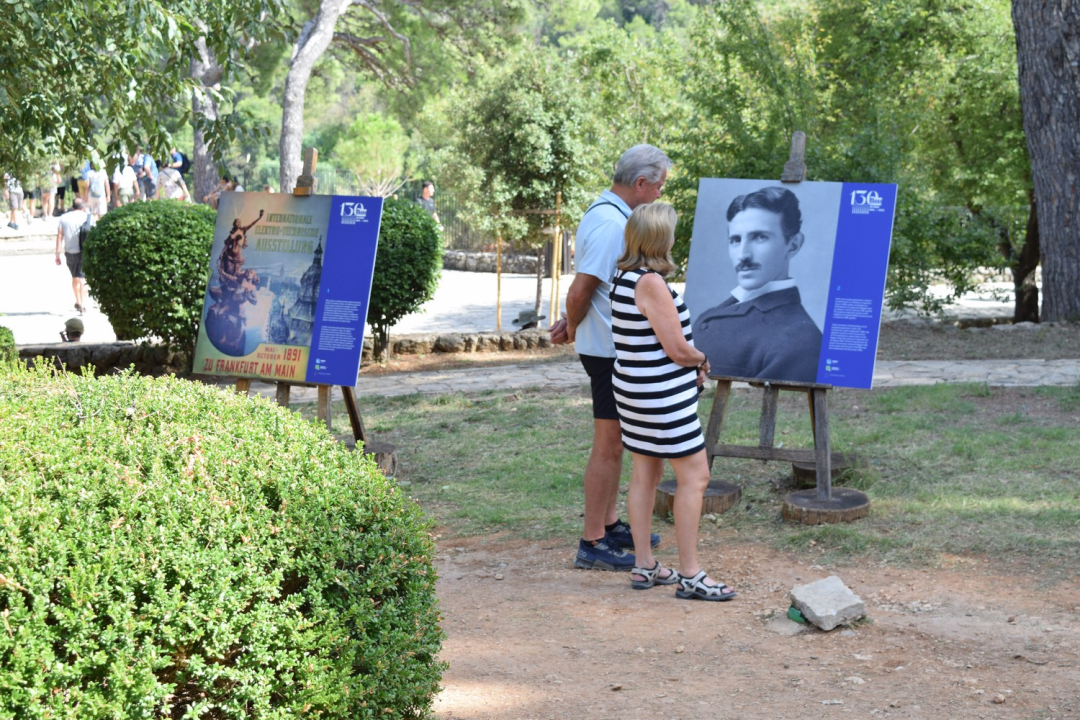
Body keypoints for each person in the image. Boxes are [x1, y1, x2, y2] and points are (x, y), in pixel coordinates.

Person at [549, 144, 671, 571]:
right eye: (658, 186)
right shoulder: (609, 224)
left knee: (615, 442)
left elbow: (590, 293)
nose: (658, 194)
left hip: (607, 346)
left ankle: (609, 521)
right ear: (640, 183)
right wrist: (573, 324)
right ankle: (593, 541)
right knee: (609, 445)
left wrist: (572, 321)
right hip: (607, 352)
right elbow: (582, 289)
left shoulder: (613, 216)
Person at [612, 203, 737, 601]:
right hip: (662, 398)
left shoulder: (622, 278)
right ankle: (691, 573)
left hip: (635, 393)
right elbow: (678, 349)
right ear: (659, 239)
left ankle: (645, 565)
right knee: (695, 477)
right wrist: (701, 360)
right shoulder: (651, 283)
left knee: (644, 474)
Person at [691, 186, 822, 383]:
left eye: (760, 237)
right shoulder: (713, 313)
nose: (743, 255)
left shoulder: (800, 339)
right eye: (735, 240)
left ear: (793, 245)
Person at [55, 198, 92, 314]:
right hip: (83, 250)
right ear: (82, 207)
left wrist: (57, 253)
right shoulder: (88, 217)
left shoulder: (64, 217)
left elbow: (59, 236)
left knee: (75, 277)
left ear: (72, 207)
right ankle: (82, 303)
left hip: (69, 252)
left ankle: (78, 300)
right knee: (82, 278)